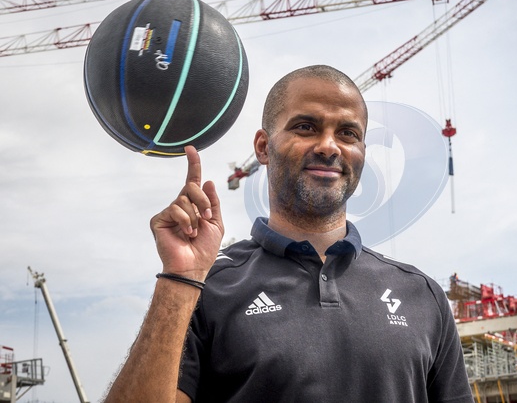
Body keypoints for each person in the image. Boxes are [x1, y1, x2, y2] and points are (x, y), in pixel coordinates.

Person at [104, 65, 473, 403]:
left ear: (362, 151)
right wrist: (178, 280)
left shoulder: (423, 296)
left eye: (347, 133)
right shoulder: (206, 288)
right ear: (263, 147)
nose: (329, 146)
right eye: (306, 127)